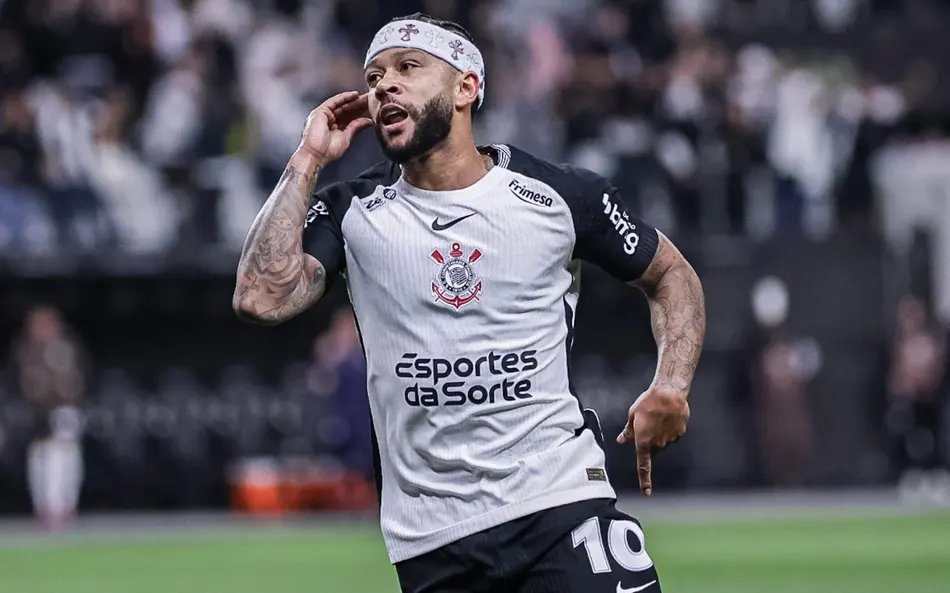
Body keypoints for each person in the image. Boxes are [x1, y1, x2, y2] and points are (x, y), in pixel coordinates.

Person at [234, 13, 705, 593]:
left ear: (466, 87)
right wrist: (306, 159)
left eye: (408, 67)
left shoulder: (559, 195)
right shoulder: (351, 210)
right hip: (433, 540)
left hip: (560, 506)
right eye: (374, 76)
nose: (384, 85)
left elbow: (671, 274)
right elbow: (259, 295)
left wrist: (671, 384)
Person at [12, 305, 86, 531]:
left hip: (65, 410)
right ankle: (46, 508)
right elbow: (23, 384)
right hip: (35, 412)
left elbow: (75, 380)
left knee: (65, 455)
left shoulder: (65, 348)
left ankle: (65, 506)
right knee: (40, 458)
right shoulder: (26, 350)